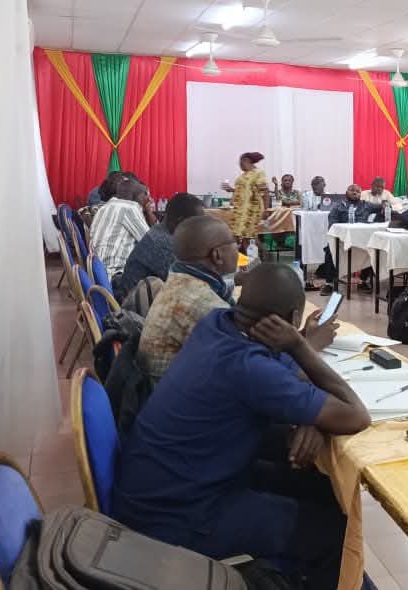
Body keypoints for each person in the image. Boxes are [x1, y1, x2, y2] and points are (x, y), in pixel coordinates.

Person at [113, 264, 371, 589]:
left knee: (321, 487)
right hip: (177, 517)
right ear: (292, 318)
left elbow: (289, 376)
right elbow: (356, 415)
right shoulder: (249, 368)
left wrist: (314, 417)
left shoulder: (216, 324)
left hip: (166, 485)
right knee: (333, 535)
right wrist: (301, 346)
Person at [138, 215, 239, 383]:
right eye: (235, 242)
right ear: (217, 255)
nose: (238, 248)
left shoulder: (180, 278)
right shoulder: (203, 303)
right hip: (176, 393)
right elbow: (243, 356)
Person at [118, 193, 204, 300]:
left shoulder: (161, 232)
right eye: (197, 224)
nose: (200, 229)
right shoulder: (163, 244)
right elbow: (189, 287)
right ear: (180, 221)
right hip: (139, 306)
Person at [89, 178, 156, 277]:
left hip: (98, 273)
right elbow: (151, 243)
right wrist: (148, 211)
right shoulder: (130, 208)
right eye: (146, 195)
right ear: (140, 197)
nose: (149, 200)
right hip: (116, 275)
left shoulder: (104, 207)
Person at [224, 152, 269, 244]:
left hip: (252, 209)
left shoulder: (258, 173)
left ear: (246, 161)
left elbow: (265, 192)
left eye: (241, 163)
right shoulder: (243, 175)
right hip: (239, 210)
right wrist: (232, 189)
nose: (240, 166)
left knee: (249, 236)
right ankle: (244, 252)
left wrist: (266, 210)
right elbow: (245, 190)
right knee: (238, 235)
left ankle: (260, 252)